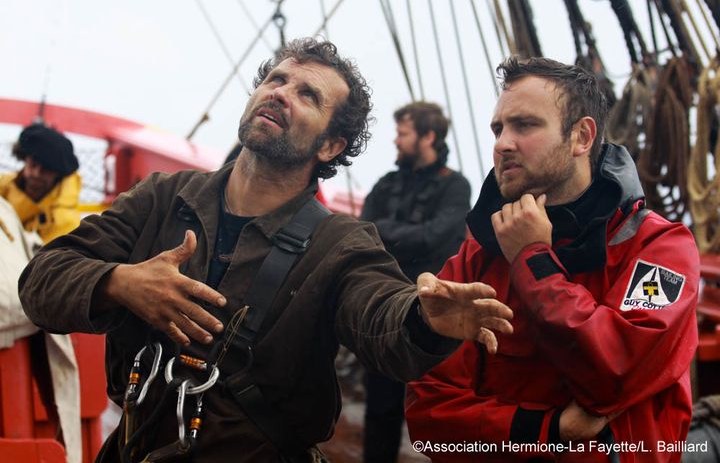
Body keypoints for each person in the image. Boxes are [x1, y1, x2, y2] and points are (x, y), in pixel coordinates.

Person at [19, 38, 513, 463]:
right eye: (275, 79)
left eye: (307, 95)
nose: (280, 93)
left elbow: (381, 315)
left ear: (330, 146)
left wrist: (425, 321)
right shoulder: (162, 197)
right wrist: (119, 283)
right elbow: (40, 282)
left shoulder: (341, 245)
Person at [405, 56, 699, 462]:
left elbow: (614, 373)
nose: (503, 143)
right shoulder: (479, 254)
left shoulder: (659, 248)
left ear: (581, 136)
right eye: (498, 128)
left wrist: (532, 258)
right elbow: (430, 420)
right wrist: (550, 430)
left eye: (524, 125)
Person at [360, 101, 470, 462]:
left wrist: (386, 232)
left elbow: (434, 239)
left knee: (441, 411)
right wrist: (403, 234)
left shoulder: (455, 186)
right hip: (383, 310)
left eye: (403, 133)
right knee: (380, 406)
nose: (395, 140)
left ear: (428, 136)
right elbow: (363, 232)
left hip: (433, 318)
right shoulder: (386, 184)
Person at [0, 195, 82, 463]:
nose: (34, 173)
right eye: (30, 164)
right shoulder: (10, 198)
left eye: (42, 167)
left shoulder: (65, 221)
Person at [0, 123, 82, 243]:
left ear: (58, 173)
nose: (37, 173)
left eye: (46, 169)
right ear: (24, 158)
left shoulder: (65, 221)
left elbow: (48, 261)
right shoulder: (3, 187)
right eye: (33, 164)